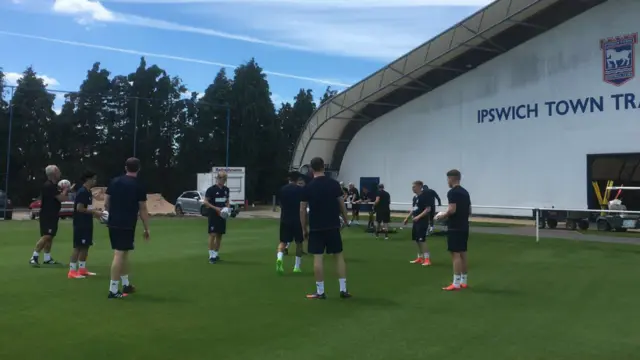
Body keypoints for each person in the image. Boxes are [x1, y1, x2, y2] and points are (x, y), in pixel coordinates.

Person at [300, 157, 351, 300]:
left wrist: (304, 228)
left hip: (316, 226)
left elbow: (302, 209)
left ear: (311, 168)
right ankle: (343, 289)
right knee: (338, 256)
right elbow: (341, 204)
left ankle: (321, 291)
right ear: (323, 167)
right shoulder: (334, 184)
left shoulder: (308, 187)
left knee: (318, 258)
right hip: (333, 225)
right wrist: (346, 220)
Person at [105, 158, 150, 299]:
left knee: (123, 253)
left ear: (125, 167)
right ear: (139, 168)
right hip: (127, 223)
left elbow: (106, 203)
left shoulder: (114, 181)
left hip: (113, 221)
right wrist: (146, 228)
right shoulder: (139, 185)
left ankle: (126, 284)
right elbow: (143, 208)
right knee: (119, 254)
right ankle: (113, 290)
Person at [435, 169, 471, 291]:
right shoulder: (465, 192)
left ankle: (455, 283)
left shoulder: (452, 192)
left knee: (455, 254)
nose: (447, 182)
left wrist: (442, 216)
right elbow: (469, 211)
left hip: (455, 226)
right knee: (463, 254)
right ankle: (464, 281)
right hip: (464, 225)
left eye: (448, 179)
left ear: (451, 178)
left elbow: (452, 210)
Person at [68, 171, 104, 279]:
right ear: (88, 179)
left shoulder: (88, 192)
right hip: (80, 223)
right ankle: (72, 271)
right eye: (94, 179)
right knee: (78, 246)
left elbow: (86, 207)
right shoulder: (82, 192)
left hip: (87, 222)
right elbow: (79, 208)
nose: (95, 181)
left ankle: (82, 269)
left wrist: (96, 212)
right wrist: (94, 212)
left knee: (86, 246)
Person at [30, 165, 68, 266]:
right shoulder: (49, 186)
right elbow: (62, 198)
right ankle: (34, 256)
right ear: (54, 173)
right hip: (48, 214)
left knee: (50, 236)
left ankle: (47, 258)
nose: (60, 173)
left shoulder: (53, 185)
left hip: (52, 213)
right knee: (46, 236)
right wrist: (65, 190)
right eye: (58, 171)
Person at [276, 171, 305, 274]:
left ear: (289, 179)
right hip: (296, 218)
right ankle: (297, 266)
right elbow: (302, 207)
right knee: (299, 243)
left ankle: (279, 258)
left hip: (285, 218)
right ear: (297, 180)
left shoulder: (283, 189)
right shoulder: (300, 190)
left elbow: (280, 204)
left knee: (283, 241)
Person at [403, 181, 433, 266]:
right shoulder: (415, 197)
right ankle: (420, 257)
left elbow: (428, 209)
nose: (413, 188)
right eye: (412, 187)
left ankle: (427, 259)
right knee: (416, 240)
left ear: (420, 187)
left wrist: (418, 217)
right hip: (415, 221)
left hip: (422, 221)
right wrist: (407, 218)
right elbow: (414, 209)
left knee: (422, 240)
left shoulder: (425, 196)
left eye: (414, 187)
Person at [204, 171, 230, 264]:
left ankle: (215, 254)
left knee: (219, 235)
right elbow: (206, 202)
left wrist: (227, 209)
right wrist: (216, 208)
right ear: (218, 178)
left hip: (222, 215)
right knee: (212, 234)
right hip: (213, 215)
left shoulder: (226, 189)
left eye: (224, 179)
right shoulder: (211, 190)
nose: (222, 180)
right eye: (221, 178)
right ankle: (211, 255)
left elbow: (227, 201)